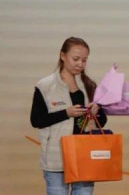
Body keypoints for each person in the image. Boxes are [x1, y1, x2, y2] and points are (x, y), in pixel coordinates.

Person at [30, 37, 108, 195]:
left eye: (84, 60)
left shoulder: (89, 85)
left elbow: (102, 121)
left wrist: (97, 112)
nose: (80, 64)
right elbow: (37, 120)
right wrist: (66, 113)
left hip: (85, 155)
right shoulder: (45, 86)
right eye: (76, 59)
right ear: (63, 56)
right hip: (56, 157)